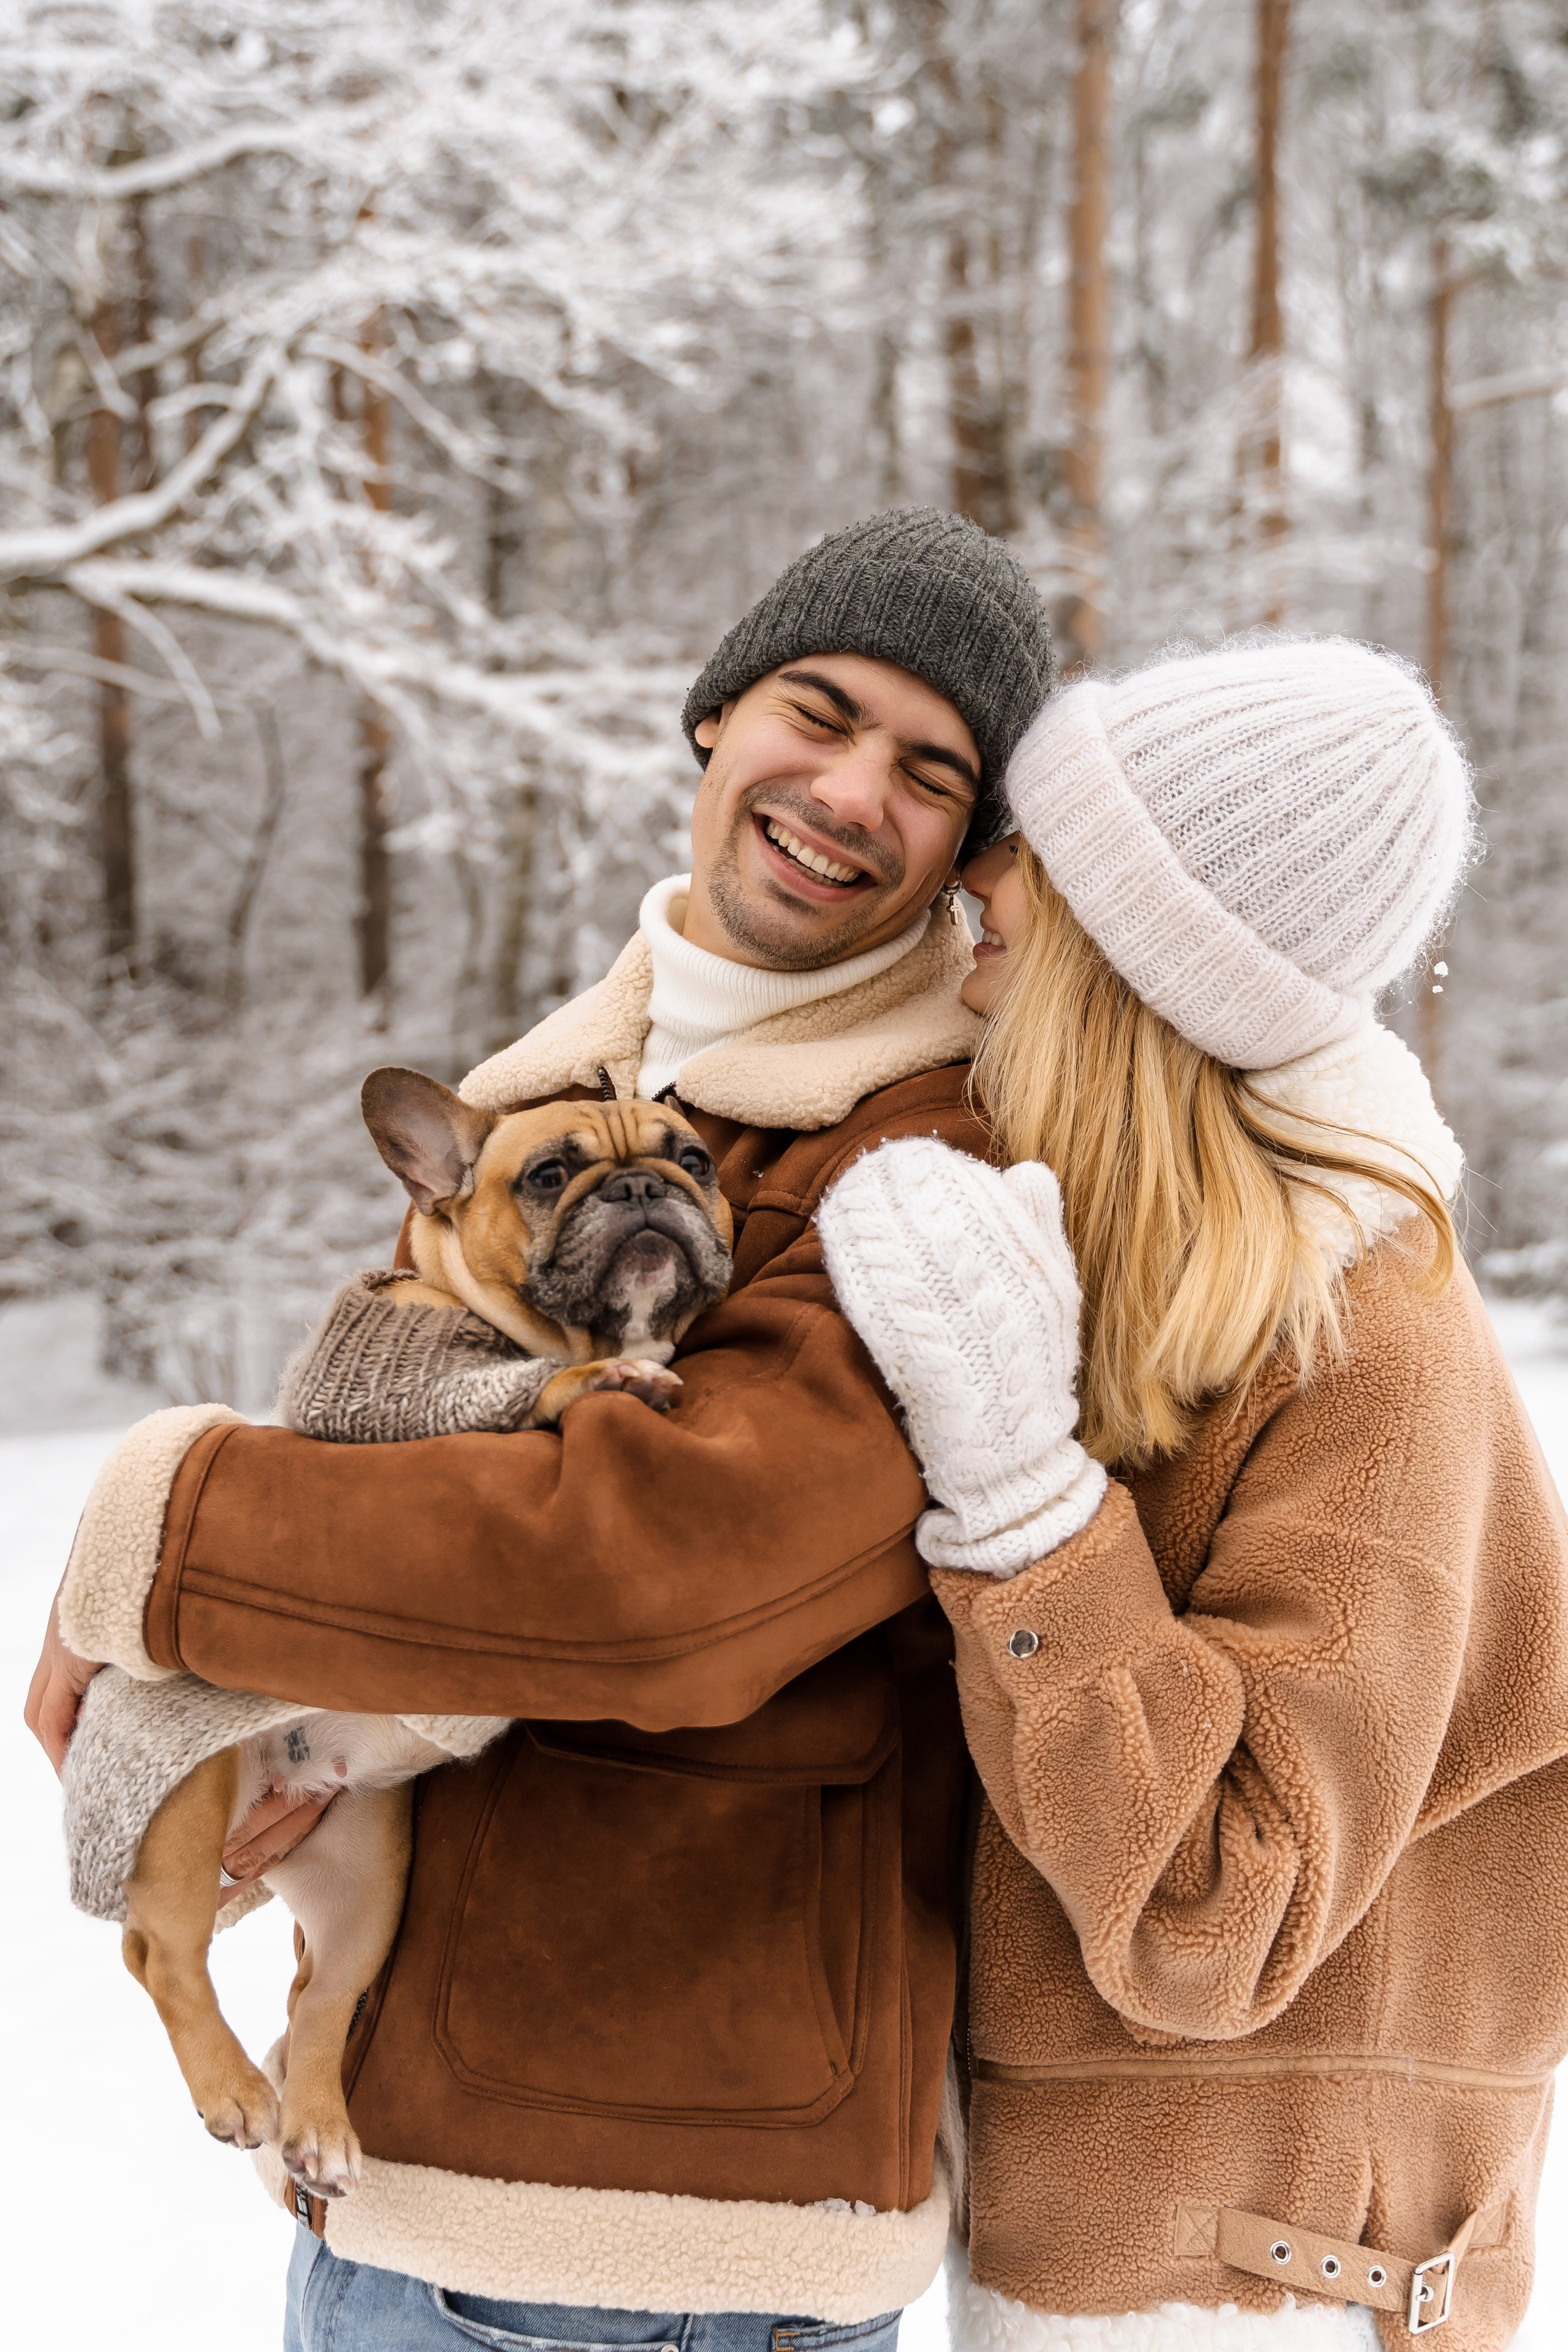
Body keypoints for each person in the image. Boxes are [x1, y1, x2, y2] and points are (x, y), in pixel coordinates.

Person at [24, 508, 1053, 2352]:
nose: (846, 791)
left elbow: (654, 1575)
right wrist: (222, 1629)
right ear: (716, 721)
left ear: (966, 852)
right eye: (814, 714)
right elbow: (376, 1468)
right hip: (413, 2159)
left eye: (928, 772)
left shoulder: (917, 1157)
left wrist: (162, 1532)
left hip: (668, 2203)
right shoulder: (561, 1091)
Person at [818, 639, 1568, 2352]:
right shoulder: (1141, 1276)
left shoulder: (1370, 1338)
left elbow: (1216, 1916)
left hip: (1258, 2287)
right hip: (1117, 2260)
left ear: (1146, 959)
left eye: (1042, 853)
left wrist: (1020, 1506)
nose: (978, 878)